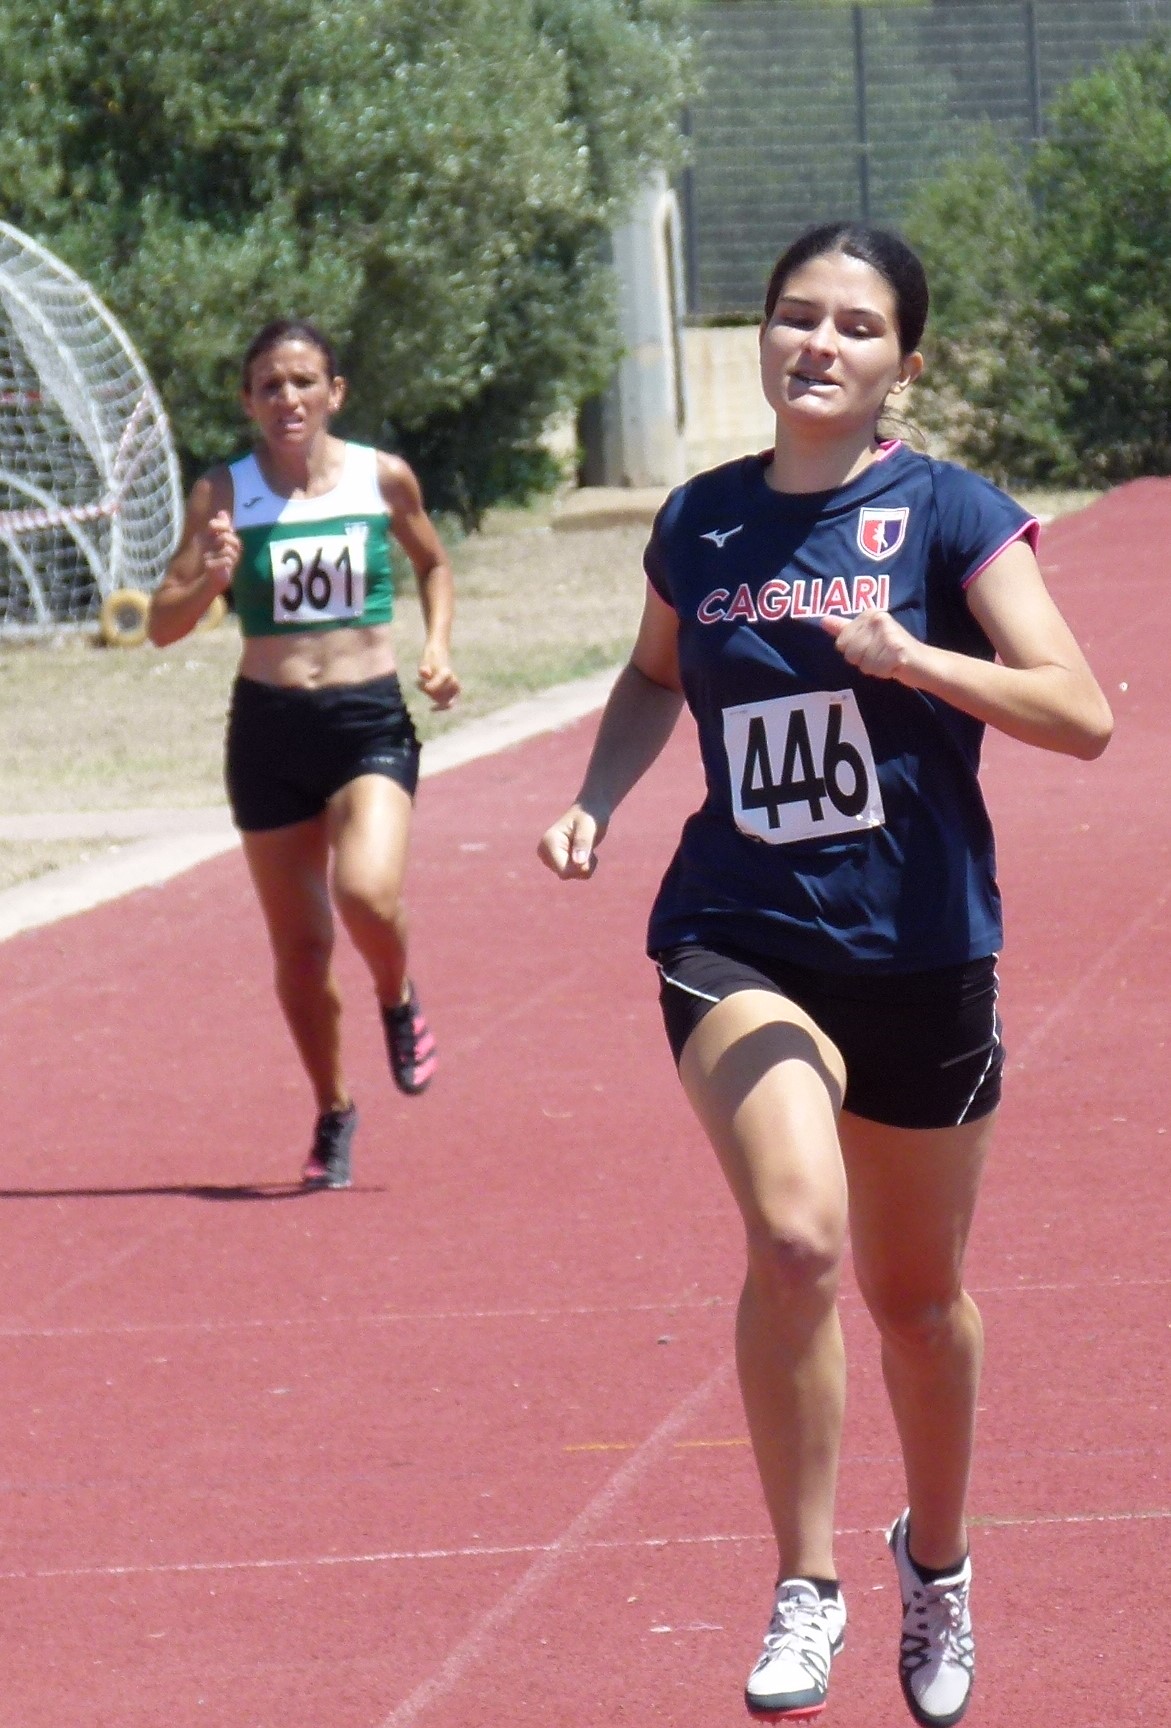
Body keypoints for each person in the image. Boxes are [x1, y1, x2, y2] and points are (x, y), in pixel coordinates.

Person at [538, 224, 1112, 1725]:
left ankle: (938, 1559)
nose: (819, 343)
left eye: (856, 327)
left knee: (915, 1302)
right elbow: (654, 674)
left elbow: (1078, 713)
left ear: (901, 364)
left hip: (920, 950)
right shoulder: (701, 522)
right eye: (796, 316)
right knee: (795, 1240)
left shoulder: (949, 514)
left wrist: (916, 660)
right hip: (736, 929)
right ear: (762, 338)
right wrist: (597, 795)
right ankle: (805, 1583)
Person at [149, 318, 458, 1191]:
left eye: (303, 382)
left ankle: (396, 995)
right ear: (248, 401)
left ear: (334, 393)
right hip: (268, 731)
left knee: (365, 892)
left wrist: (437, 647)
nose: (288, 398)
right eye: (270, 386)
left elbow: (433, 564)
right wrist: (210, 580)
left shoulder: (379, 477)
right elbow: (161, 626)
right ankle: (333, 1109)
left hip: (367, 722)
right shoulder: (222, 492)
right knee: (299, 950)